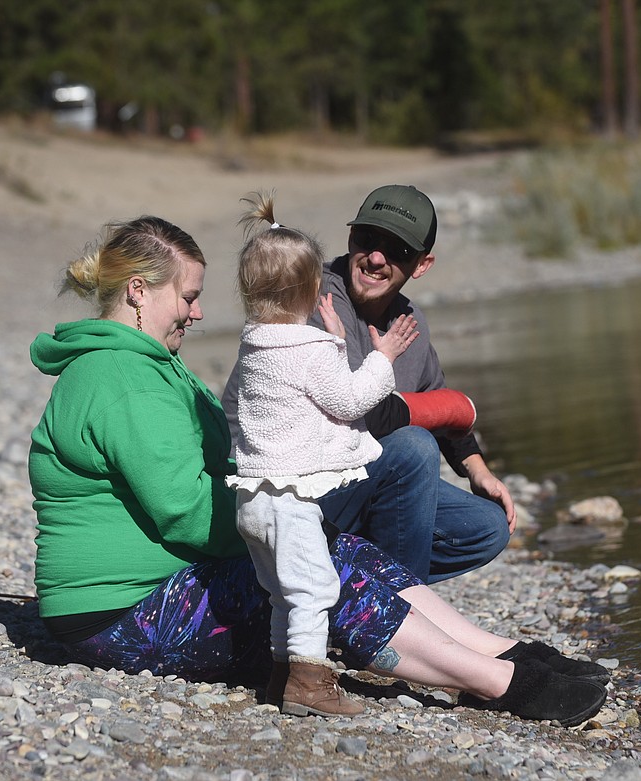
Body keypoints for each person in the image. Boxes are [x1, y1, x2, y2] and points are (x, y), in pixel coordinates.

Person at [27, 214, 609, 728]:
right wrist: (288, 533)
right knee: (317, 565)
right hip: (117, 612)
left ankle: (498, 652)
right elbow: (184, 511)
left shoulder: (149, 367)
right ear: (137, 291)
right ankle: (497, 684)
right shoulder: (119, 378)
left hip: (152, 590)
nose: (198, 311)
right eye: (188, 297)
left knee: (334, 547)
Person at [222, 184, 514, 584]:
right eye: (367, 239)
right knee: (413, 448)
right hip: (289, 487)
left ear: (423, 264)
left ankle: (355, 587)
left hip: (351, 474)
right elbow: (360, 409)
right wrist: (446, 407)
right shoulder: (310, 298)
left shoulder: (410, 323)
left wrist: (476, 468)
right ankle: (398, 615)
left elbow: (434, 399)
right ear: (350, 236)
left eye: (398, 251)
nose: (376, 257)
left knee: (486, 528)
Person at [226, 193, 418, 716]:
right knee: (314, 589)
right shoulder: (307, 350)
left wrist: (333, 339)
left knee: (281, 594)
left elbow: (257, 396)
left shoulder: (255, 345)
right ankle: (310, 686)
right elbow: (348, 398)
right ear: (314, 291)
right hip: (291, 502)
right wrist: (382, 360)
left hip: (252, 500)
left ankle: (280, 676)